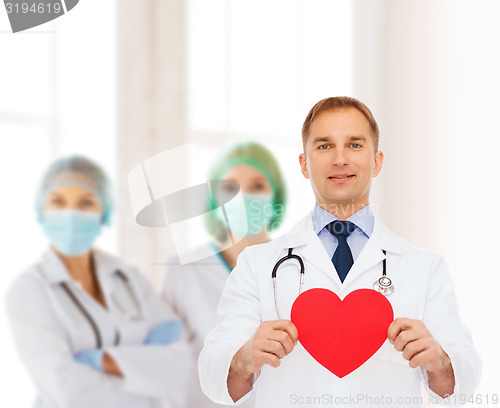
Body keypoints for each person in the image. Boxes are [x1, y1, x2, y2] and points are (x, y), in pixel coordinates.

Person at [199, 97, 482, 407]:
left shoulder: (425, 267)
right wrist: (242, 360)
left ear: (377, 161)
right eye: (324, 146)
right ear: (304, 164)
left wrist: (440, 361)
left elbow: (462, 378)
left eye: (355, 145)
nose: (340, 159)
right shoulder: (257, 264)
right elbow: (214, 371)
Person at [6, 155, 192, 408]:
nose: (71, 214)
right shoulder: (29, 290)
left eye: (86, 203)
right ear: (42, 210)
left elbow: (178, 364)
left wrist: (98, 360)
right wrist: (144, 379)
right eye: (58, 202)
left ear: (103, 212)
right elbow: (68, 392)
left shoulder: (129, 278)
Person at [161, 142, 287, 407]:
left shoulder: (296, 266)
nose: (244, 198)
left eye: (257, 186)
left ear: (275, 197)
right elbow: (168, 372)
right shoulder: (183, 273)